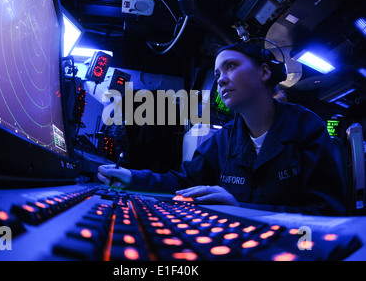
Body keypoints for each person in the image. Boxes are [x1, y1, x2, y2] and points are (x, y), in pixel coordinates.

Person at [97, 42, 347, 216]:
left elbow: (326, 211)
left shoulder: (306, 126)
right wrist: (132, 177)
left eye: (231, 66)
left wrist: (241, 208)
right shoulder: (225, 138)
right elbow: (183, 181)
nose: (221, 79)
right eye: (217, 74)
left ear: (264, 71)